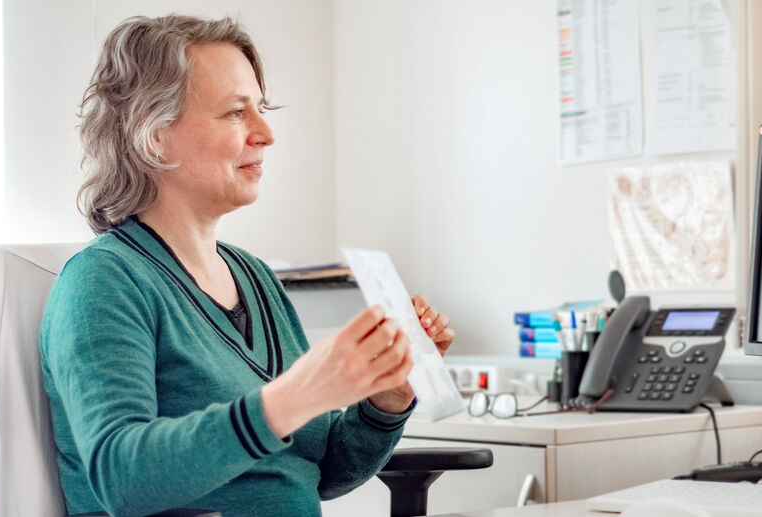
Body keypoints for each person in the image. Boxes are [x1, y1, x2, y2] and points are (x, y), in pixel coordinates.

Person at [40, 14, 455, 517]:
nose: (266, 133)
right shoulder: (103, 282)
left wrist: (386, 399)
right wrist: (295, 396)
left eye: (261, 109)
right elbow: (122, 478)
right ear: (154, 133)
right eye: (236, 113)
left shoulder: (256, 279)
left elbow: (316, 472)